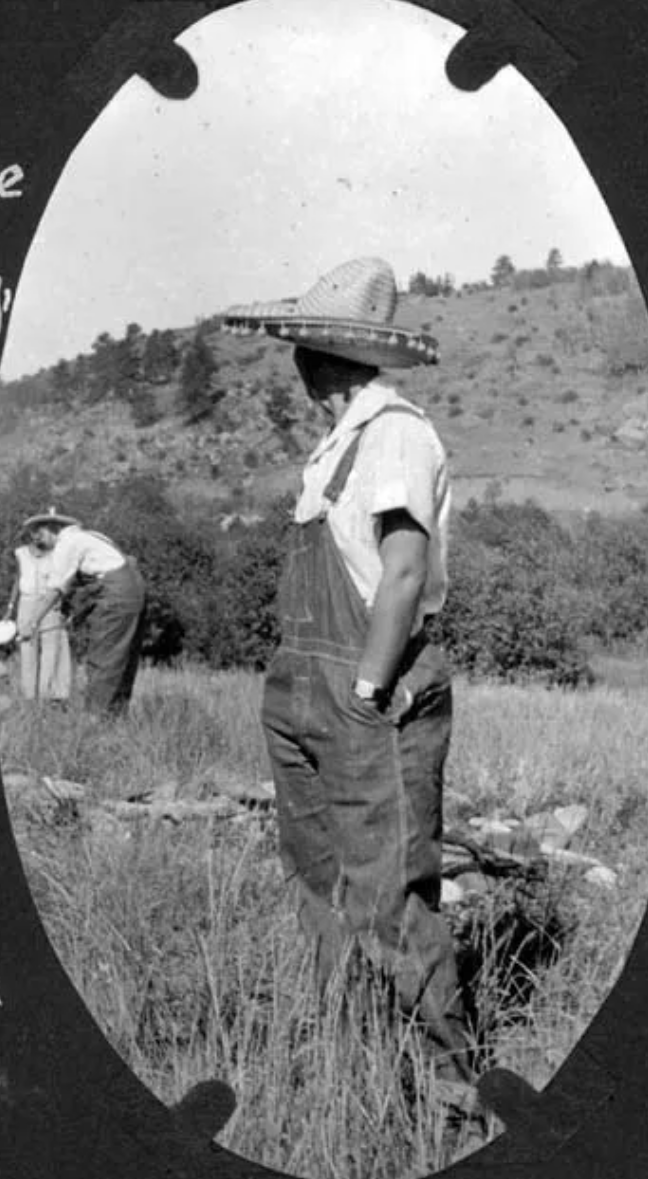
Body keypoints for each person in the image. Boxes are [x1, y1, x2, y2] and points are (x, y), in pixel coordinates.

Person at [222, 257, 478, 1106]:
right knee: (318, 884)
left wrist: (368, 688)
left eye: (297, 346)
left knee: (389, 899)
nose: (293, 361)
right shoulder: (339, 444)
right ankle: (352, 1062)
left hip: (368, 691)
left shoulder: (397, 432)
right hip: (302, 688)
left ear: (314, 358)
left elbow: (403, 573)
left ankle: (449, 1088)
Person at [19, 510, 146, 716]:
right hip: (134, 590)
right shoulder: (93, 536)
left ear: (53, 530)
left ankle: (95, 720)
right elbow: (119, 566)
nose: (38, 542)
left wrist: (32, 622)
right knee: (124, 658)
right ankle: (116, 718)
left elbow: (55, 589)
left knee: (104, 656)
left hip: (115, 594)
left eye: (39, 535)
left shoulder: (66, 543)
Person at [5, 529, 72, 703]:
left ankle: (48, 697)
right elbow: (17, 580)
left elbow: (63, 583)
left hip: (50, 603)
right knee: (27, 649)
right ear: (30, 533)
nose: (38, 536)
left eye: (42, 531)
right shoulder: (20, 553)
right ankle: (29, 698)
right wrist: (10, 608)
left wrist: (65, 607)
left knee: (51, 650)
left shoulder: (57, 553)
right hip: (26, 603)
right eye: (35, 531)